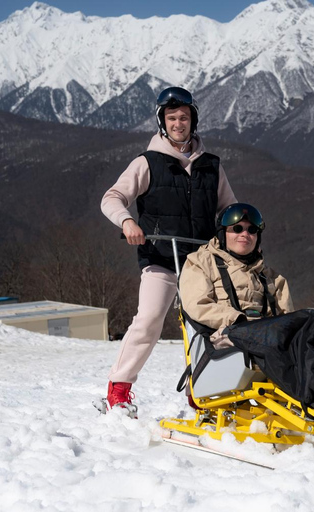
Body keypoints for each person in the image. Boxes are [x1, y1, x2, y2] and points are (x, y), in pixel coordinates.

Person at [100, 86, 236, 417]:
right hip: (160, 257)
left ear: (193, 121)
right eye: (172, 118)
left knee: (213, 327)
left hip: (201, 262)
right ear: (163, 122)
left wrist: (238, 233)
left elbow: (229, 208)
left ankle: (207, 394)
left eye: (184, 117)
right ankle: (119, 390)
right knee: (148, 320)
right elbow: (112, 197)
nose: (179, 123)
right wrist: (128, 222)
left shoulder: (211, 166)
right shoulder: (148, 163)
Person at [180, 203, 294, 348]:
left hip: (267, 340)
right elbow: (198, 306)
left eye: (252, 230)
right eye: (237, 228)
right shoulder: (200, 263)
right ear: (222, 233)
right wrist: (238, 320)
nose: (245, 234)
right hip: (226, 339)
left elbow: (288, 320)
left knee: (313, 322)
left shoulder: (272, 278)